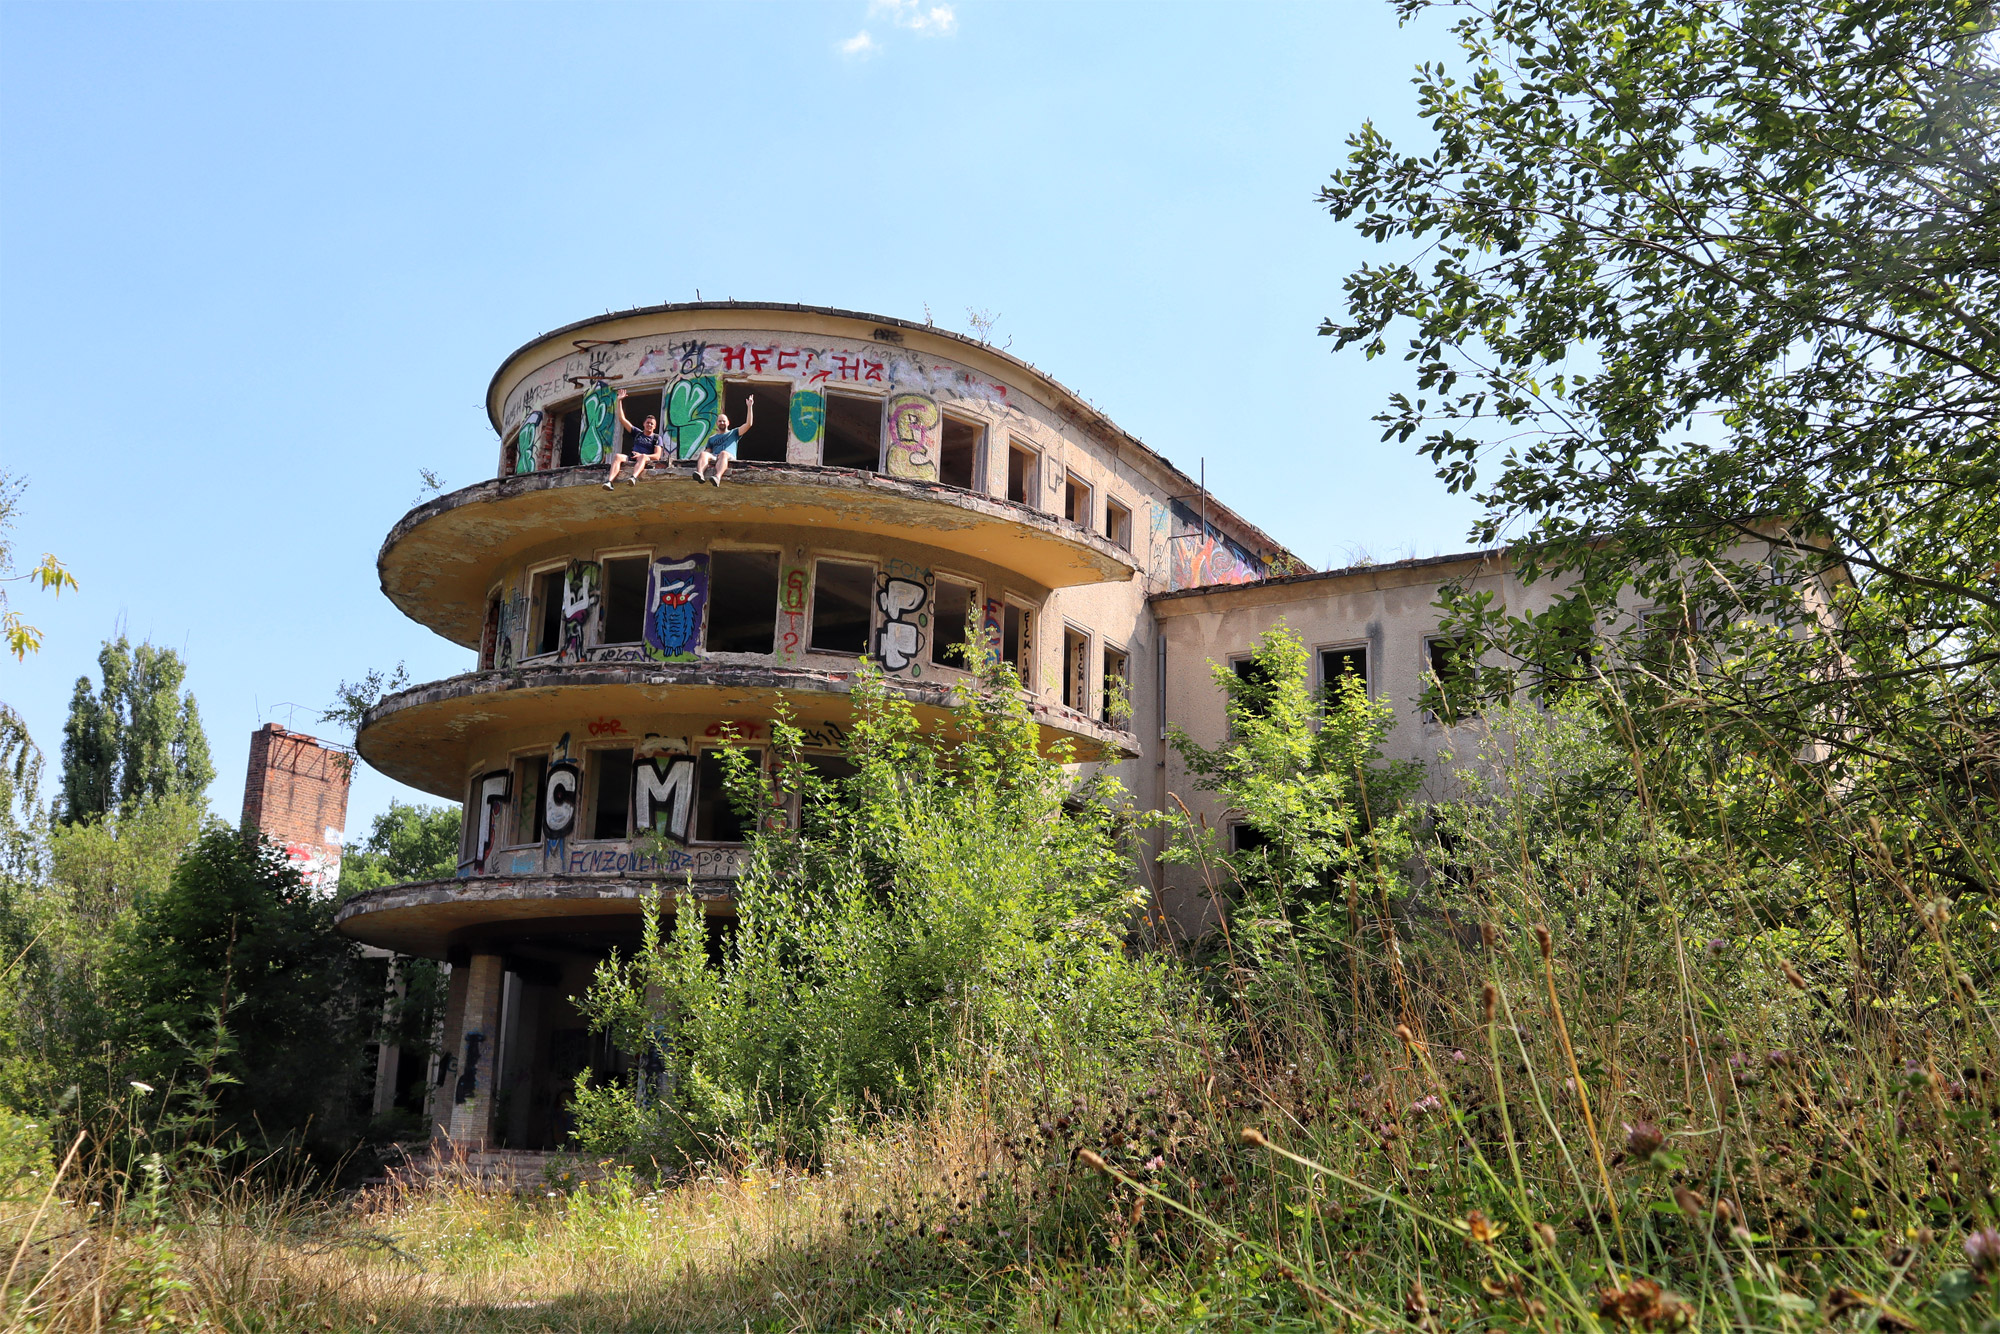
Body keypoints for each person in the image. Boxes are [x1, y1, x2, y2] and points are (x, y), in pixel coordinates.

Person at [606, 391, 666, 487]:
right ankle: (609, 482)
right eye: (648, 422)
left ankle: (633, 477)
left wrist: (642, 455)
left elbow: (657, 456)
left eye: (652, 424)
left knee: (642, 457)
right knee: (617, 456)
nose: (649, 425)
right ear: (644, 424)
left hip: (645, 460)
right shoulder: (638, 433)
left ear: (655, 427)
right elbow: (622, 419)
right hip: (632, 458)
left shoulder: (656, 437)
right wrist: (619, 401)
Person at [694, 395, 754, 487]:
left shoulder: (734, 433)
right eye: (720, 421)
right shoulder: (712, 438)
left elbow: (748, 424)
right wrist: (703, 457)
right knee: (703, 454)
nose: (722, 423)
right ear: (717, 423)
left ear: (728, 423)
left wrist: (749, 407)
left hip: (728, 457)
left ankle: (717, 477)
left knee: (723, 453)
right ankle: (700, 474)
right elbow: (707, 453)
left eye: (724, 421)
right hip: (715, 457)